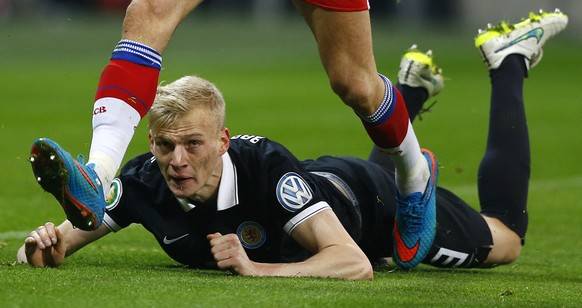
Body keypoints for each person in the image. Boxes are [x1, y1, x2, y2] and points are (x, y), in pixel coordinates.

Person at [18, 9, 568, 279]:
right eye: (164, 145)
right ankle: (97, 167)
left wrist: (259, 271)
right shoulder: (146, 178)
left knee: (505, 238)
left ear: (223, 141)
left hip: (367, 207)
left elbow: (354, 264)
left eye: (192, 143)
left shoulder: (264, 168)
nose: (177, 160)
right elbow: (58, 243)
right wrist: (42, 246)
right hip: (326, 185)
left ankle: (507, 61)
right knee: (147, 14)